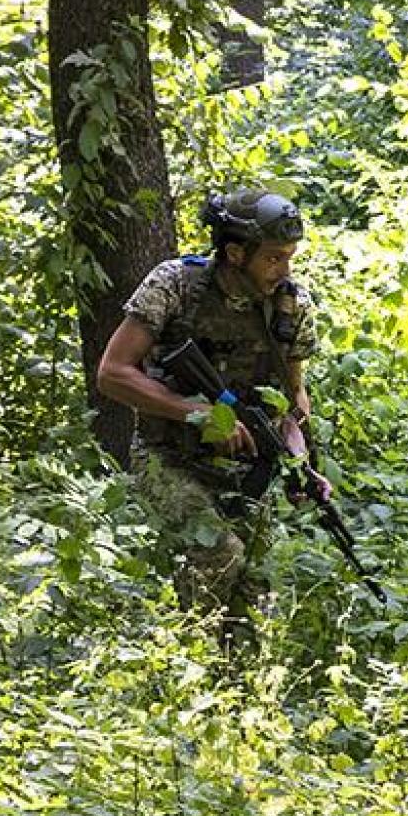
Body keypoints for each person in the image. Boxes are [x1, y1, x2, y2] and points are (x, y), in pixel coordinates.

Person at [97, 188, 322, 640]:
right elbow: (113, 373)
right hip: (169, 458)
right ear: (236, 253)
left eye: (290, 258)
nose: (285, 270)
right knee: (218, 555)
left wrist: (300, 463)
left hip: (244, 470)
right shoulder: (175, 286)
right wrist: (195, 413)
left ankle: (240, 697)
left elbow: (293, 400)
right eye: (274, 258)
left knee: (259, 589)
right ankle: (185, 670)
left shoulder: (290, 307)